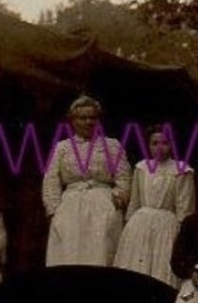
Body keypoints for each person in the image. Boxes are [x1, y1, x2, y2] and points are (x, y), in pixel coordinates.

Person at [42, 94, 131, 266]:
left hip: (104, 204)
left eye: (93, 117)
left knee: (101, 252)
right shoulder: (62, 148)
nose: (88, 122)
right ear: (73, 120)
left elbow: (124, 176)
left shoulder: (112, 145)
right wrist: (54, 210)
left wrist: (119, 199)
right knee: (69, 252)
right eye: (83, 118)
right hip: (70, 205)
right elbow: (51, 180)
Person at [114, 126, 197, 287]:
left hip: (166, 224)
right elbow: (135, 202)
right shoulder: (141, 167)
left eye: (165, 143)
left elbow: (184, 206)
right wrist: (128, 225)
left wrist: (183, 233)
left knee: (161, 265)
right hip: (140, 224)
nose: (159, 147)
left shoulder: (181, 170)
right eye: (154, 143)